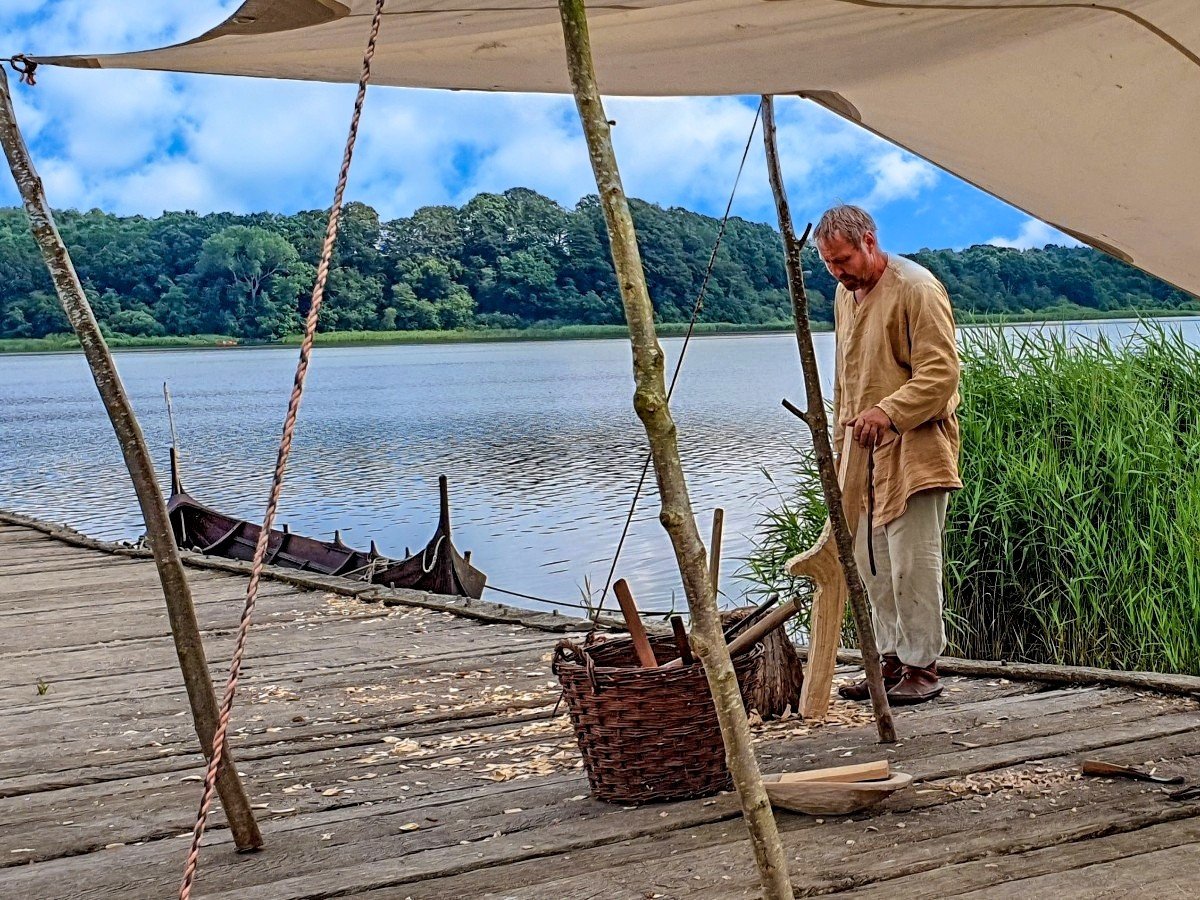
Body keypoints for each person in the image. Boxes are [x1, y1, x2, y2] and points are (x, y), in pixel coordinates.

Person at [814, 205, 962, 705]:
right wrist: (839, 450)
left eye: (845, 258)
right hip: (861, 456)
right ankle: (891, 659)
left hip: (916, 448)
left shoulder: (916, 288)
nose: (838, 271)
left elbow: (941, 377)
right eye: (829, 262)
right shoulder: (844, 292)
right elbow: (846, 379)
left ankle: (923, 666)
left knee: (911, 564)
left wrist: (888, 411)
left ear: (870, 242)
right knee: (870, 562)